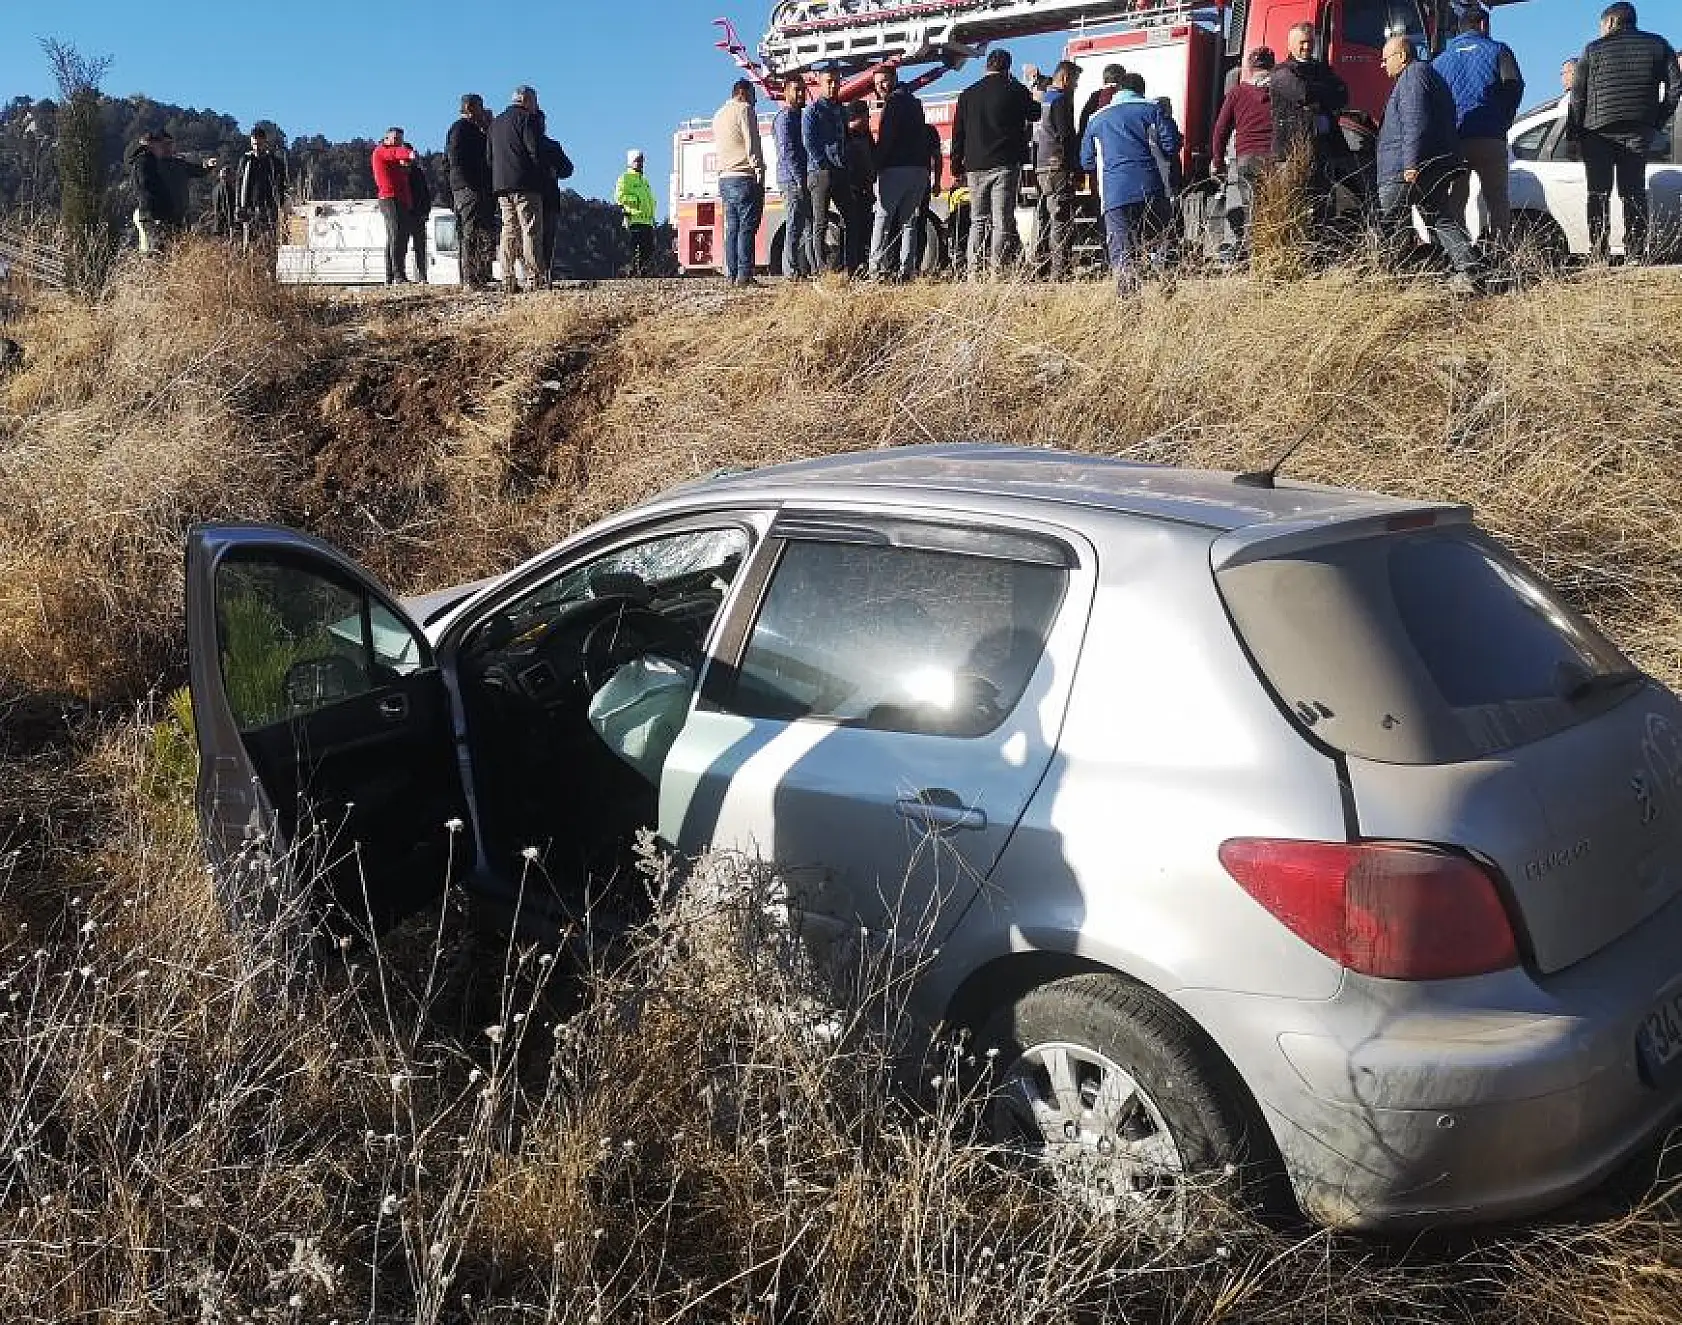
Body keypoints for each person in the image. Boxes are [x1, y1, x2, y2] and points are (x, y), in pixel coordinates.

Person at [1567, 1, 1681, 264]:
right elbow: (1675, 88)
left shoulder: (1593, 49)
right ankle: (1636, 252)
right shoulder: (1658, 44)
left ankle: (1598, 252)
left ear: (1610, 22)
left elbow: (1577, 97)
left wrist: (1574, 136)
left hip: (1597, 131)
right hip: (1638, 130)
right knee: (1633, 192)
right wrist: (1655, 121)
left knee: (1598, 193)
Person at [1376, 36, 1483, 289]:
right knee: (1439, 218)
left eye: (1385, 59)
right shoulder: (1426, 75)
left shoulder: (1413, 77)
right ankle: (1468, 270)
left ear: (1402, 56)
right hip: (1429, 164)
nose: (1382, 66)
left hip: (1406, 167)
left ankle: (1389, 279)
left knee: (1389, 221)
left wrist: (1410, 163)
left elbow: (1416, 120)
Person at [1080, 68, 1181, 292]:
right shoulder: (1152, 110)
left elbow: (1086, 161)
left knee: (1123, 253)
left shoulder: (1096, 119)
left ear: (1118, 91)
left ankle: (1128, 310)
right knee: (1162, 245)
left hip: (1115, 193)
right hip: (1153, 187)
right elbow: (1171, 146)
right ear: (1141, 91)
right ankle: (1168, 299)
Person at [1433, 4, 1525, 246]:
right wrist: (1503, 120)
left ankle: (1461, 258)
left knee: (1455, 202)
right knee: (1497, 200)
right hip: (1490, 137)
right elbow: (1514, 85)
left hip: (1454, 140)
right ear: (1483, 25)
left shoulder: (1440, 61)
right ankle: (1500, 254)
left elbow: (1432, 102)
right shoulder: (1498, 50)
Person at [952, 49, 1041, 278]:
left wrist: (956, 164)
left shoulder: (967, 95)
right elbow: (1035, 113)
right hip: (1005, 163)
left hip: (975, 165)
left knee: (978, 220)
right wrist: (1032, 86)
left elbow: (958, 133)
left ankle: (973, 272)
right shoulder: (1015, 90)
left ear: (986, 66)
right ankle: (997, 271)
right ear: (1008, 67)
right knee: (1002, 220)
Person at [1271, 22, 1349, 221]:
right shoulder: (1281, 73)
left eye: (1310, 42)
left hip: (1323, 149)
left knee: (1323, 204)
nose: (1307, 47)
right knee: (1294, 205)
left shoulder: (1322, 68)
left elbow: (1343, 95)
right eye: (1303, 42)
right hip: (1292, 152)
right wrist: (1325, 91)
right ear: (1290, 45)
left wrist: (1317, 93)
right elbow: (1302, 93)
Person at [1211, 47, 1276, 261]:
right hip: (1278, 156)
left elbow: (1221, 128)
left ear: (1249, 68)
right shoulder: (1281, 89)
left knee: (1252, 208)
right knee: (1276, 205)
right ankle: (1276, 251)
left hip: (1248, 158)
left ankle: (1257, 255)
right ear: (1272, 66)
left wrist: (1218, 160)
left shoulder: (1237, 93)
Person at [869, 66, 929, 281]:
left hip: (896, 168)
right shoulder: (915, 102)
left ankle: (875, 269)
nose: (881, 87)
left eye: (884, 81)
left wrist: (875, 166)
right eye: (877, 84)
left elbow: (887, 139)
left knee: (883, 219)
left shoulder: (893, 104)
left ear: (895, 78)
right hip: (919, 169)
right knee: (909, 223)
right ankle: (907, 270)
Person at [489, 86, 547, 293]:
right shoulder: (527, 119)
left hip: (501, 184)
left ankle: (507, 277)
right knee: (530, 229)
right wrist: (542, 174)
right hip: (525, 183)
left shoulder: (495, 123)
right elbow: (535, 150)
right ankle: (534, 277)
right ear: (527, 100)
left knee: (509, 229)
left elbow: (490, 156)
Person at [1030, 61, 1082, 279]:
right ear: (1066, 78)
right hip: (1057, 165)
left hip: (1042, 165)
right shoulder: (1060, 100)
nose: (1076, 87)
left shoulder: (1043, 99)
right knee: (1061, 219)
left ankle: (1042, 266)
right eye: (1075, 81)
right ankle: (1059, 271)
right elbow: (1066, 135)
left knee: (1047, 217)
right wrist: (1076, 166)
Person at [714, 79, 766, 286]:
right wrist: (759, 171)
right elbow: (752, 143)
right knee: (747, 227)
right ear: (743, 93)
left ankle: (731, 273)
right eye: (753, 95)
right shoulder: (744, 110)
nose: (755, 101)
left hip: (724, 178)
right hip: (743, 176)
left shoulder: (718, 115)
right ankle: (745, 274)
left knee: (732, 227)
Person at [802, 67, 849, 274]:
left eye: (836, 81)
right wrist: (824, 163)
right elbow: (808, 141)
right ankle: (820, 268)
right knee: (820, 222)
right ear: (820, 83)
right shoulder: (812, 111)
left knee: (849, 217)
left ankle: (848, 262)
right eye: (829, 81)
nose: (833, 85)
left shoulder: (840, 109)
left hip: (840, 170)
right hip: (820, 173)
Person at [446, 93, 494, 289]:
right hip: (470, 187)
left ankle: (480, 275)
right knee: (471, 231)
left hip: (474, 186)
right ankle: (470, 278)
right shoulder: (461, 128)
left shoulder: (475, 130)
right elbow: (454, 158)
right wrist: (468, 184)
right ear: (471, 108)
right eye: (480, 107)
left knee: (480, 230)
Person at [773, 79, 812, 278]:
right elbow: (787, 151)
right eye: (796, 90)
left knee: (805, 226)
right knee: (794, 224)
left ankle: (803, 268)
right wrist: (800, 179)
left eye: (803, 90)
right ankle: (791, 271)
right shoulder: (786, 117)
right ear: (786, 92)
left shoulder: (799, 116)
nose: (800, 94)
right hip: (791, 180)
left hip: (798, 177)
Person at [371, 127, 418, 285]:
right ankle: (398, 276)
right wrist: (409, 154)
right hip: (389, 198)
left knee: (397, 237)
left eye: (400, 140)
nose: (398, 142)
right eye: (396, 139)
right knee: (397, 236)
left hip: (400, 200)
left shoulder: (395, 159)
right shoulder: (381, 151)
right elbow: (395, 153)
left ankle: (392, 276)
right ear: (387, 139)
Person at [533, 104, 574, 280]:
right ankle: (544, 271)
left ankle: (539, 272)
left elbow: (568, 168)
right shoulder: (550, 145)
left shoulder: (549, 146)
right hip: (547, 195)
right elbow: (568, 169)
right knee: (546, 236)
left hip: (539, 194)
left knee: (536, 235)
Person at [155, 132, 214, 242]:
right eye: (164, 144)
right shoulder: (154, 165)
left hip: (181, 212)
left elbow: (198, 170)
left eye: (170, 143)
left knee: (181, 244)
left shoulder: (180, 164)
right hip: (162, 214)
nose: (167, 147)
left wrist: (208, 166)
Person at [236, 127, 288, 250]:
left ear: (265, 142)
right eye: (254, 144)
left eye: (259, 144)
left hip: (270, 209)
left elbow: (281, 186)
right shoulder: (246, 161)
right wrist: (239, 206)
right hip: (250, 209)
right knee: (249, 246)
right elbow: (240, 184)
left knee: (269, 244)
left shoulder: (275, 163)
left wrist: (279, 205)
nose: (257, 147)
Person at [842, 100, 877, 274]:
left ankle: (862, 264)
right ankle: (852, 267)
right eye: (865, 117)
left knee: (865, 229)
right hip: (852, 190)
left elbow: (873, 159)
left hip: (866, 191)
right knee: (853, 230)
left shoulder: (866, 136)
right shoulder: (847, 137)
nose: (868, 121)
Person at [614, 150, 658, 277]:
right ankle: (632, 271)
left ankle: (643, 271)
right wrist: (635, 201)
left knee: (648, 248)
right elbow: (619, 196)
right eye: (637, 160)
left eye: (641, 160)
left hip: (647, 220)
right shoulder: (625, 178)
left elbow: (649, 199)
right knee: (634, 249)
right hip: (633, 219)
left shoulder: (644, 181)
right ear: (630, 162)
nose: (640, 163)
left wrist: (652, 212)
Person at [126, 132, 170, 254]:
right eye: (160, 145)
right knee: (155, 251)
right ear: (152, 146)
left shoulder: (142, 161)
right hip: (151, 214)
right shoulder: (145, 162)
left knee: (148, 248)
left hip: (145, 212)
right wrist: (157, 214)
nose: (163, 149)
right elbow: (147, 188)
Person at [1078, 63, 1125, 141]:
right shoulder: (1124, 97)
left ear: (1104, 80)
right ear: (1123, 80)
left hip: (1097, 142)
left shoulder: (1095, 96)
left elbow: (1084, 123)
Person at [407, 155, 433, 284]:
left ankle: (423, 275)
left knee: (420, 247)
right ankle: (395, 275)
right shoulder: (398, 173)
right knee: (399, 246)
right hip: (406, 213)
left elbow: (425, 193)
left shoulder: (418, 172)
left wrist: (426, 211)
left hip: (418, 214)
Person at [210, 165, 237, 239]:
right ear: (228, 176)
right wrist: (231, 225)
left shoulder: (216, 188)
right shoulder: (227, 188)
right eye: (232, 175)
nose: (234, 177)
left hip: (217, 224)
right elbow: (228, 207)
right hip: (225, 225)